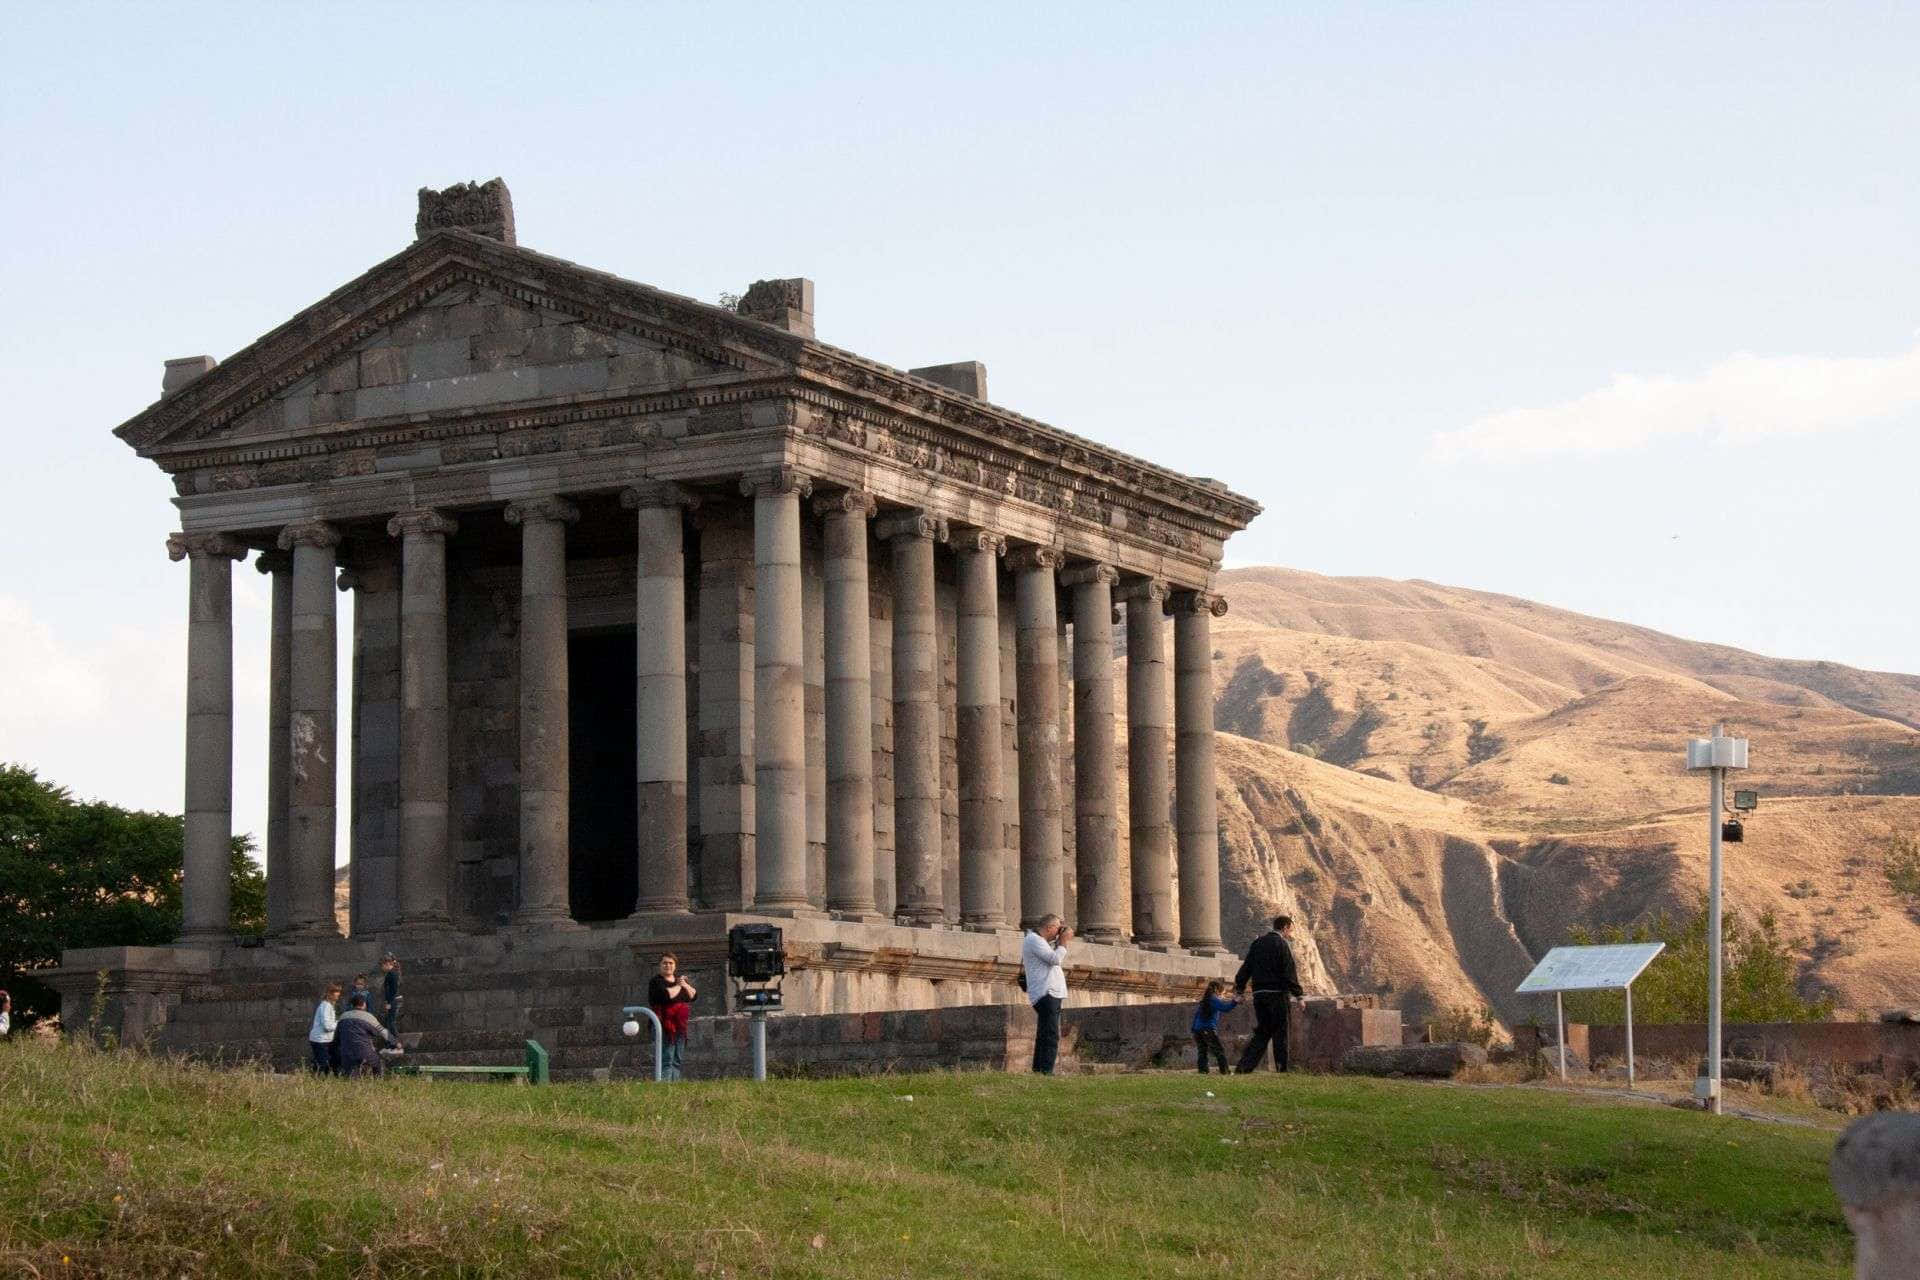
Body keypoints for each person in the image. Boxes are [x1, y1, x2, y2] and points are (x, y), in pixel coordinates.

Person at [1233, 915, 1305, 1073]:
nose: (1290, 933)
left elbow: (1246, 968)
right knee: (1281, 1032)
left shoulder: (1257, 943)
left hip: (1259, 995)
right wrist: (1299, 995)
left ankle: (1244, 1068)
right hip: (1277, 995)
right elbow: (1289, 972)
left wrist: (1239, 989)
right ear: (1285, 927)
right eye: (1290, 929)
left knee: (1263, 1032)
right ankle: (1281, 1068)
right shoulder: (1282, 944)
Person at [1021, 913, 1073, 1075]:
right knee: (1050, 1034)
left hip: (1049, 993)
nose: (1059, 931)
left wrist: (1059, 942)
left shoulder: (1039, 941)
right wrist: (1063, 943)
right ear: (1050, 928)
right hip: (1046, 993)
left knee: (1045, 1033)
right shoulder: (1034, 940)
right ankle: (1046, 1071)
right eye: (1058, 928)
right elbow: (1054, 959)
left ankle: (1039, 1070)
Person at [646, 953, 698, 1081]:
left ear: (675, 966)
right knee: (667, 1059)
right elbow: (666, 995)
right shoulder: (656, 982)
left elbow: (693, 996)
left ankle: (675, 1086)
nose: (668, 965)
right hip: (663, 1026)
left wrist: (685, 985)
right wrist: (679, 986)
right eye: (665, 963)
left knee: (677, 1060)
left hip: (679, 1027)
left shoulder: (680, 982)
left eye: (671, 963)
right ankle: (665, 1088)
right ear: (660, 965)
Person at [334, 993, 400, 1078]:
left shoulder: (343, 1017)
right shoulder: (368, 1017)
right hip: (364, 1053)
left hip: (346, 1055)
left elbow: (336, 1038)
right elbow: (383, 1032)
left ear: (352, 1004)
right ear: (364, 1004)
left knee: (351, 1073)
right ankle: (378, 1081)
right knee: (377, 1062)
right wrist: (395, 1042)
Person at [1191, 979, 1239, 1074]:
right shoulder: (1213, 999)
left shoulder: (1205, 999)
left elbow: (1197, 1015)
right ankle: (1225, 1071)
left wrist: (1193, 1029)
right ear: (1217, 990)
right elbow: (1225, 1008)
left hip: (1197, 1030)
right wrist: (1235, 1001)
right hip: (1207, 1029)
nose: (1222, 994)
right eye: (1222, 992)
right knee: (1219, 1051)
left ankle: (1203, 1071)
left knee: (1202, 1051)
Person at [308, 982, 342, 1075]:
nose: (338, 994)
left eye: (338, 991)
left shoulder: (329, 1005)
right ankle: (317, 1080)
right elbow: (327, 1026)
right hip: (320, 1039)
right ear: (329, 993)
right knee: (323, 1064)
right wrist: (339, 1023)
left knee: (332, 1059)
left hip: (325, 1039)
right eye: (336, 991)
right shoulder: (326, 1006)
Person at [379, 955, 403, 1036]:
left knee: (390, 1022)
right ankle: (393, 1042)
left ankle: (396, 1042)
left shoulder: (392, 973)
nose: (381, 968)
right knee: (390, 1021)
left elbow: (393, 989)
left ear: (387, 964)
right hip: (394, 999)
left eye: (382, 965)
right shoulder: (392, 973)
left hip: (393, 1000)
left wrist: (389, 1002)